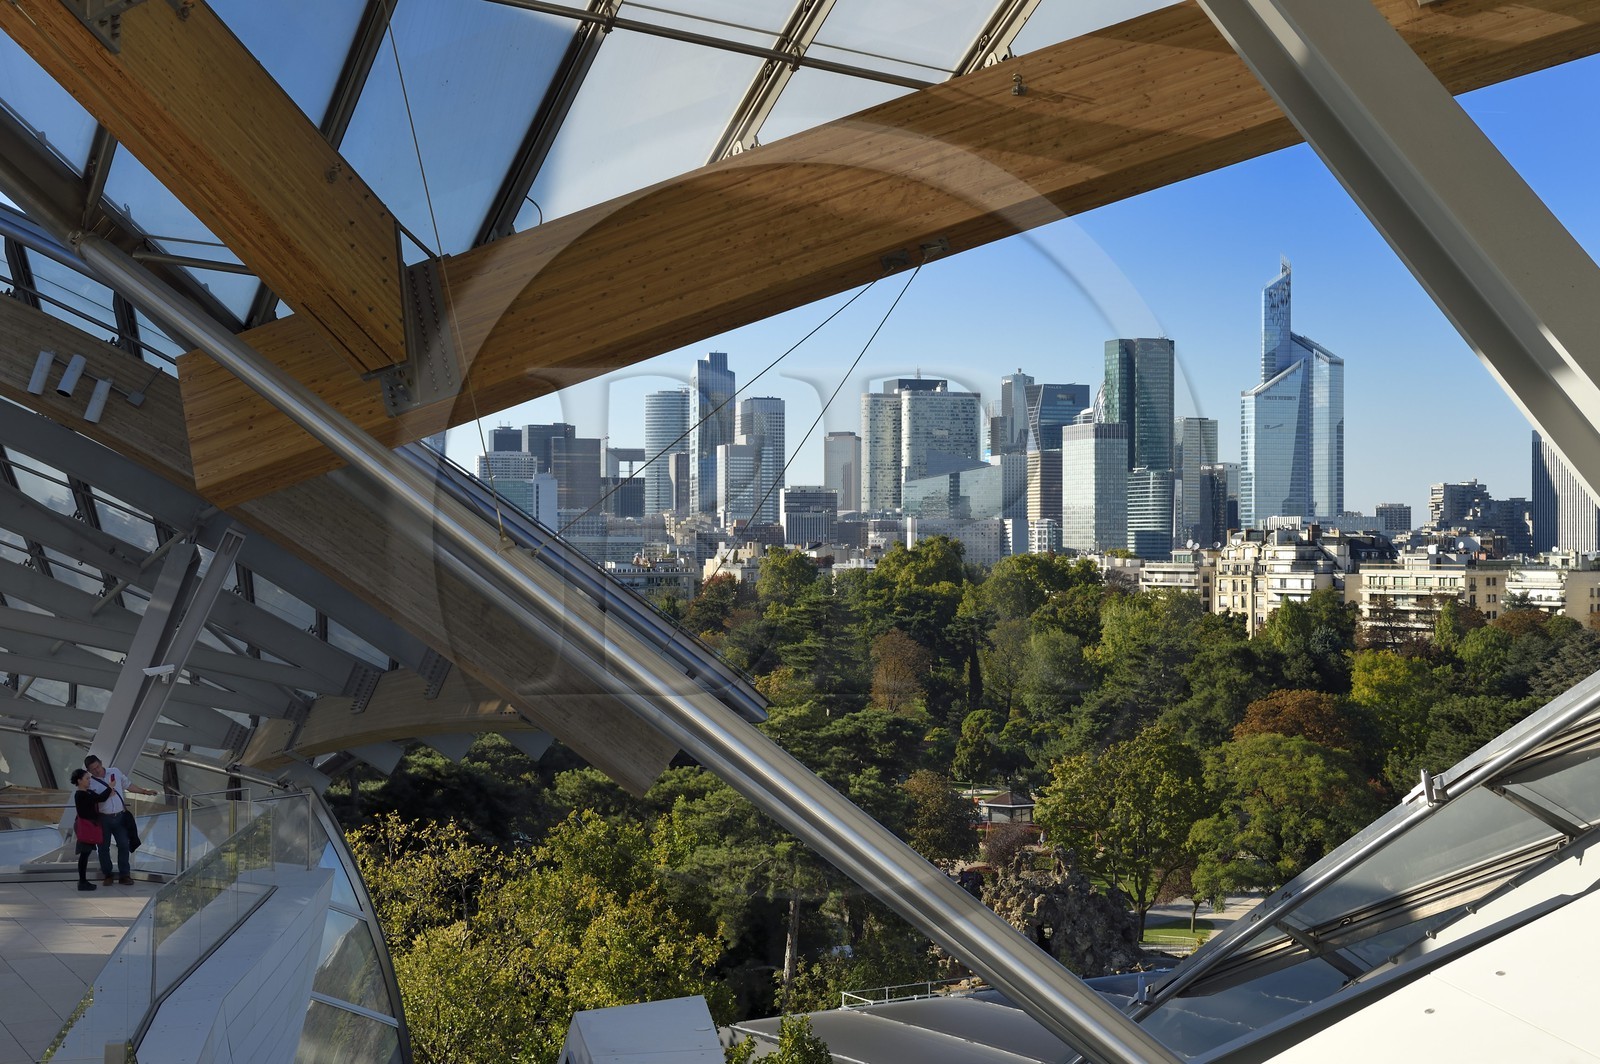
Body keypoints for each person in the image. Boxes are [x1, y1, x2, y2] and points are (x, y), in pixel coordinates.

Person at [84, 754, 155, 886]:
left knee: (123, 844)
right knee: (103, 847)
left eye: (98, 767)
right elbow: (90, 800)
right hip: (103, 819)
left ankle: (124, 874)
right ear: (89, 771)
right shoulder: (90, 782)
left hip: (119, 816)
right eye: (93, 769)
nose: (97, 770)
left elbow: (127, 785)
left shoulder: (114, 772)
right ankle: (108, 874)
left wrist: (144, 791)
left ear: (101, 763)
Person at [69, 767, 110, 892]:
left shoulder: (87, 793)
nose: (89, 781)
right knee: (84, 855)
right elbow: (99, 799)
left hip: (87, 826)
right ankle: (82, 881)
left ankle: (83, 881)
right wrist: (110, 787)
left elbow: (99, 797)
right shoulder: (81, 795)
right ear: (79, 780)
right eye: (87, 778)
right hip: (86, 827)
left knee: (85, 855)